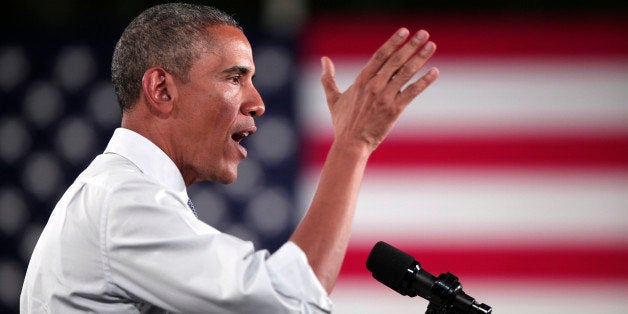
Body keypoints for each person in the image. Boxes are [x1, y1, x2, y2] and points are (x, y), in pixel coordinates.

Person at [20, 3, 438, 313]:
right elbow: (290, 302)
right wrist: (353, 143)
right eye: (235, 78)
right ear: (161, 90)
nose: (257, 102)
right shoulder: (120, 201)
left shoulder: (124, 195)